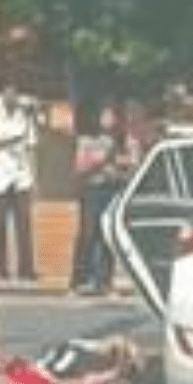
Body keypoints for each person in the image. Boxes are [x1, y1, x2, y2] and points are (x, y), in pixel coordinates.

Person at [70, 104, 139, 296]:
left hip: (114, 189)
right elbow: (80, 167)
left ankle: (104, 280)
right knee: (89, 234)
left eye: (111, 115)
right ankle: (82, 278)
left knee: (108, 236)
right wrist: (100, 161)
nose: (108, 120)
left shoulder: (125, 141)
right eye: (104, 115)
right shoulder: (88, 140)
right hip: (93, 189)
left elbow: (134, 164)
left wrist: (119, 162)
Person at [0, 84, 42, 283]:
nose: (11, 98)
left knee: (24, 224)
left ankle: (26, 269)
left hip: (21, 175)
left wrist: (35, 178)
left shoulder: (25, 116)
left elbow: (31, 147)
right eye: (8, 94)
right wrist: (12, 141)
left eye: (15, 94)